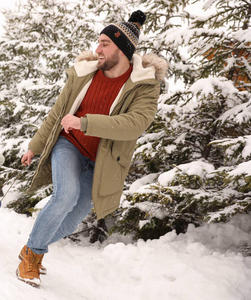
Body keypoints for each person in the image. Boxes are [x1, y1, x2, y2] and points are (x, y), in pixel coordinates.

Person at [16, 10, 168, 287]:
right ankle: (34, 256)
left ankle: (30, 248)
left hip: (103, 160)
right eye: (98, 42)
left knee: (73, 220)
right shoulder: (83, 74)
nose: (97, 49)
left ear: (122, 49)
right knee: (65, 196)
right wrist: (34, 146)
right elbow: (57, 113)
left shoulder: (144, 85)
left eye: (104, 43)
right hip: (69, 145)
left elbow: (135, 123)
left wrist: (85, 122)